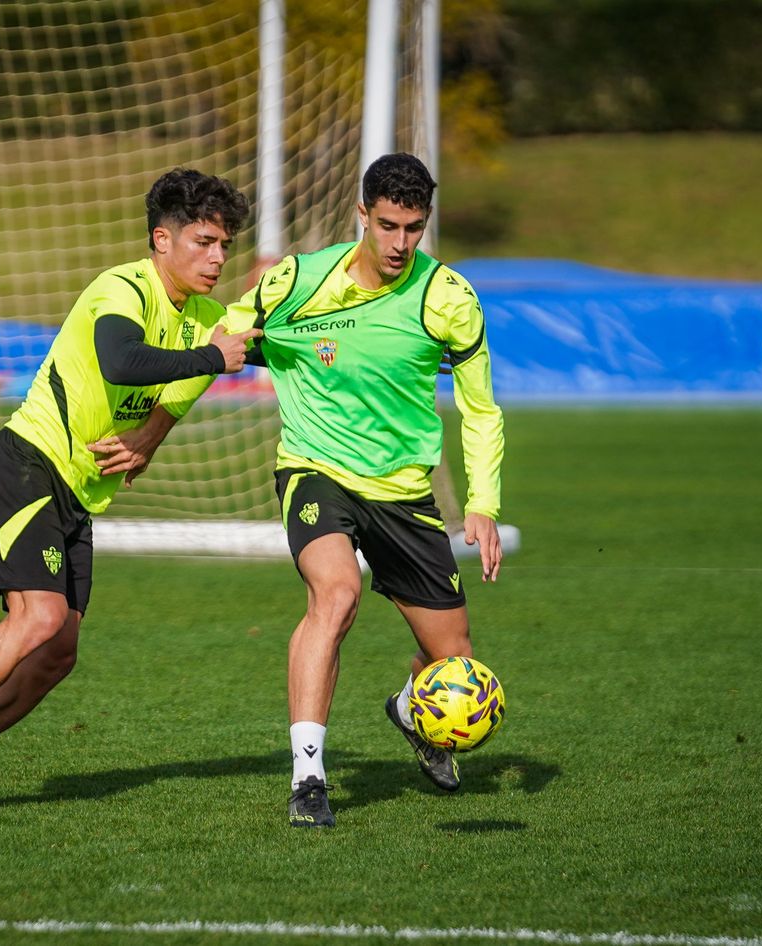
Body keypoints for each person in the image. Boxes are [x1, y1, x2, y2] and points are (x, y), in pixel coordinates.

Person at [0, 168, 260, 819]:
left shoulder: (203, 317)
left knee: (58, 653)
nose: (217, 257)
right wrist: (212, 358)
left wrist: (150, 435)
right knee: (35, 618)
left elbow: (239, 356)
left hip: (77, 496)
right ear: (162, 239)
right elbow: (124, 361)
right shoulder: (122, 288)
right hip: (23, 467)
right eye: (204, 241)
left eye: (225, 246)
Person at [219, 153, 505, 827]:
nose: (402, 243)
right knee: (337, 593)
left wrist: (483, 503)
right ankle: (309, 776)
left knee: (455, 660)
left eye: (415, 227)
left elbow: (482, 408)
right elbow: (225, 336)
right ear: (362, 216)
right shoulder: (297, 280)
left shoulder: (448, 299)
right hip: (316, 470)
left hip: (404, 493)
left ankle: (412, 710)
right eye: (388, 225)